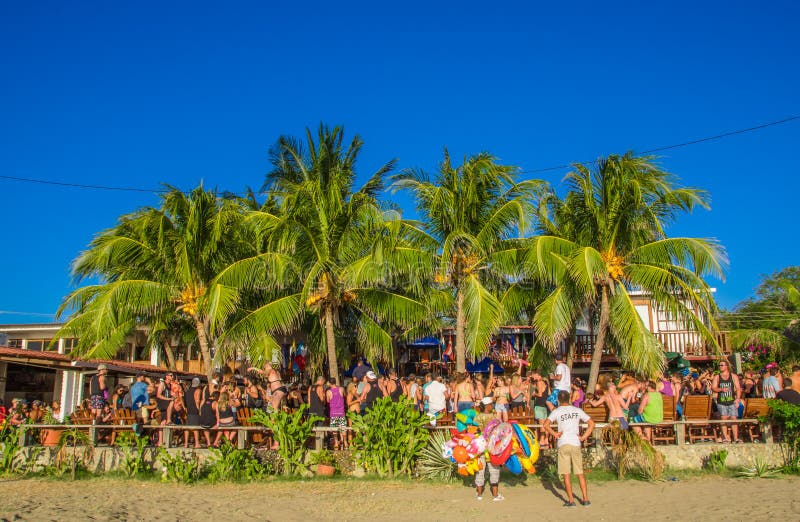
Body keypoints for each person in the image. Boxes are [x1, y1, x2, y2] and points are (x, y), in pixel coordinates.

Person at [544, 390, 594, 508]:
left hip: (563, 443)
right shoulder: (577, 410)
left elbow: (545, 424)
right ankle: (585, 499)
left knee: (566, 474)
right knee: (580, 473)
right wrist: (583, 437)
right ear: (569, 398)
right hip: (575, 442)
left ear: (558, 400)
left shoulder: (557, 411)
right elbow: (591, 423)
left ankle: (571, 500)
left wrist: (555, 434)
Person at [712, 360, 742, 443]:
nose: (720, 366)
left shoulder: (733, 376)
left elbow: (738, 388)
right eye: (719, 365)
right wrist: (721, 389)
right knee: (723, 418)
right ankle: (725, 437)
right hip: (721, 401)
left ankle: (735, 438)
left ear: (726, 366)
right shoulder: (717, 377)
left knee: (733, 418)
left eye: (722, 365)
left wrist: (737, 399)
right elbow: (713, 388)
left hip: (731, 400)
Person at [326, 377, 347, 449]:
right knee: (343, 427)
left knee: (334, 428)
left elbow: (328, 401)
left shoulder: (328, 392)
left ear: (329, 383)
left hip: (333, 412)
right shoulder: (341, 389)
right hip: (341, 412)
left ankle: (336, 442)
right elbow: (344, 396)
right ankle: (345, 442)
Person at [184, 377, 203, 448]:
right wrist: (199, 410)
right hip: (195, 410)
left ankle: (185, 443)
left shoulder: (187, 391)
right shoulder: (198, 390)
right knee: (195, 427)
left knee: (187, 427)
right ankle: (197, 443)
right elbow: (197, 401)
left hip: (189, 410)